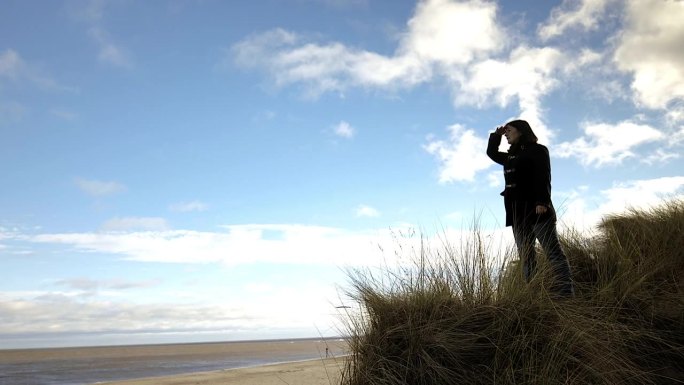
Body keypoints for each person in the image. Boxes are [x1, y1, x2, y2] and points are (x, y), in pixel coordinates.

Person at [486, 119, 574, 297]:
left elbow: (543, 175)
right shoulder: (510, 157)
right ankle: (533, 296)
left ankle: (566, 293)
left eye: (509, 130)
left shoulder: (538, 150)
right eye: (505, 132)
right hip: (517, 212)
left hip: (536, 209)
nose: (507, 134)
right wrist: (496, 135)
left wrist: (542, 202)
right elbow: (492, 152)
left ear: (521, 131)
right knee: (526, 257)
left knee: (553, 252)